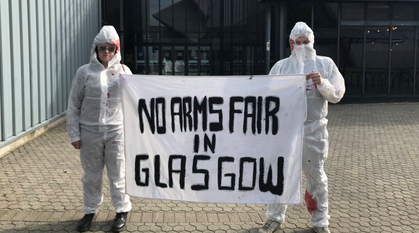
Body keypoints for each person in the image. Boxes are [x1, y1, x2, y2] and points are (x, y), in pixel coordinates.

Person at [259, 22, 345, 233]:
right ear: (290, 44)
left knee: (315, 175)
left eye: (306, 43)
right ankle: (275, 217)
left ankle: (320, 221)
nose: (302, 47)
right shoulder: (281, 67)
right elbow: (267, 96)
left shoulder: (325, 64)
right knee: (279, 174)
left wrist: (322, 83)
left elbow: (337, 94)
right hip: (286, 131)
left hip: (313, 130)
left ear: (312, 42)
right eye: (297, 43)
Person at [66, 25, 132, 232]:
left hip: (116, 131)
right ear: (96, 48)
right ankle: (90, 211)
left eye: (110, 48)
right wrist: (74, 134)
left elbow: (135, 102)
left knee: (118, 172)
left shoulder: (124, 72)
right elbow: (73, 104)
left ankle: (122, 210)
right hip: (89, 132)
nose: (106, 51)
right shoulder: (84, 72)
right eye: (102, 47)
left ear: (116, 50)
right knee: (91, 174)